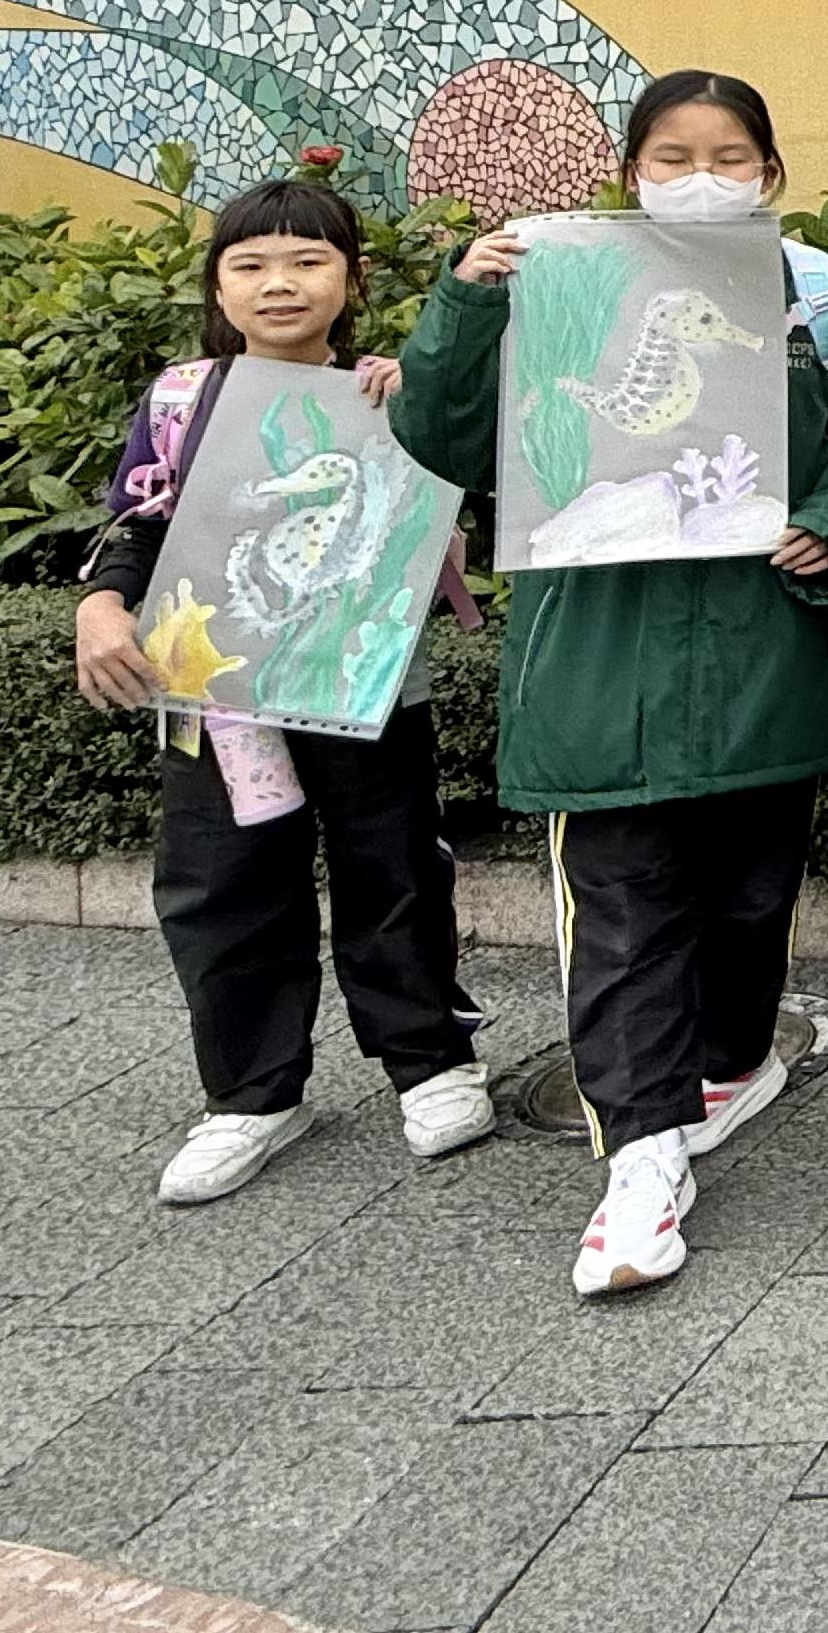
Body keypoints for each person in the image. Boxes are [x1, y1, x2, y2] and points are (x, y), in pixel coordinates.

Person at [389, 70, 828, 1294]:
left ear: (770, 173)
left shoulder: (824, 295)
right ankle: (640, 1158)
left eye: (730, 157)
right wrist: (466, 301)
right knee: (623, 912)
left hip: (766, 656)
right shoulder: (552, 281)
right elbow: (440, 441)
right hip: (600, 665)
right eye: (673, 157)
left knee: (750, 895)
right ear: (630, 171)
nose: (702, 178)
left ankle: (733, 1059)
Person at [75, 178, 489, 1206]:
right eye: (251, 264)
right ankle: (252, 1095)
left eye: (308, 261)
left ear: (352, 279)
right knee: (222, 875)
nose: (280, 283)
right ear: (218, 285)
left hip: (362, 671)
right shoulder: (182, 398)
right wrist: (102, 606)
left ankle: (429, 1061)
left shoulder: (386, 392)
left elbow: (448, 499)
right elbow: (139, 521)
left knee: (391, 860)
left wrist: (417, 409)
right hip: (215, 686)